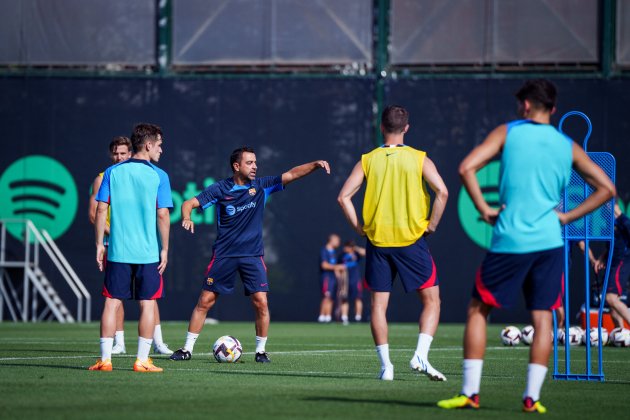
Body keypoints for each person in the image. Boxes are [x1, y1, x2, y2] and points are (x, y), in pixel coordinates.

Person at [437, 79, 615, 413]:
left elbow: (466, 168)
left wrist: (484, 208)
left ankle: (470, 394)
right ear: (554, 109)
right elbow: (607, 188)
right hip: (549, 240)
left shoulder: (509, 132)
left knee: (479, 310)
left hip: (511, 239)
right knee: (543, 317)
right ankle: (531, 399)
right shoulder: (567, 145)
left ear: (526, 105)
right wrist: (567, 217)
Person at [170, 146, 330, 363]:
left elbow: (291, 174)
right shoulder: (220, 188)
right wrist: (186, 217)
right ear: (236, 166)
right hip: (224, 255)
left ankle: (261, 351)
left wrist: (315, 164)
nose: (255, 166)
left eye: (255, 162)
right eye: (249, 163)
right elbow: (189, 203)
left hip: (252, 255)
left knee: (261, 302)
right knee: (205, 300)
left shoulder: (262, 186)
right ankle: (187, 349)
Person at [338, 105, 449, 381]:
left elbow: (343, 197)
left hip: (378, 241)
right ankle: (420, 355)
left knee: (378, 306)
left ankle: (386, 367)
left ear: (381, 127)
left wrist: (358, 228)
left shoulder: (368, 159)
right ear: (407, 128)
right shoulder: (419, 158)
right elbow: (443, 192)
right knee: (432, 301)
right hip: (411, 239)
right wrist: (432, 225)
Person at [89, 123, 173, 372]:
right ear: (148, 145)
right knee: (147, 303)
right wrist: (165, 249)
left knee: (111, 303)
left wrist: (98, 245)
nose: (161, 150)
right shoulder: (159, 175)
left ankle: (105, 360)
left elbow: (101, 209)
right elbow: (163, 216)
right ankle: (142, 360)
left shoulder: (112, 172)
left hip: (117, 250)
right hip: (147, 253)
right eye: (159, 145)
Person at [592, 203, 630, 328]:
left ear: (616, 205)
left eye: (609, 205)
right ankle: (621, 334)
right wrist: (602, 258)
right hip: (612, 263)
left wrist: (619, 214)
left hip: (622, 262)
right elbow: (611, 246)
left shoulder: (623, 220)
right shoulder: (609, 222)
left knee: (610, 298)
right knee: (613, 307)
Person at [318, 234, 346, 323]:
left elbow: (335, 267)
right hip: (326, 277)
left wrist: (338, 273)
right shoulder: (324, 250)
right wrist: (337, 267)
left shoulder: (334, 252)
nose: (339, 243)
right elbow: (324, 265)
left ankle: (328, 317)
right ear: (332, 240)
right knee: (326, 296)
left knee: (331, 298)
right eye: (337, 240)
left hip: (333, 278)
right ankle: (322, 316)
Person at [340, 241, 366, 323]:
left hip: (355, 279)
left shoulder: (356, 254)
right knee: (344, 298)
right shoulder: (342, 255)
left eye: (347, 247)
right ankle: (344, 317)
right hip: (345, 280)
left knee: (358, 297)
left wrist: (355, 248)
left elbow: (365, 253)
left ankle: (358, 317)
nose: (345, 248)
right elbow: (338, 266)